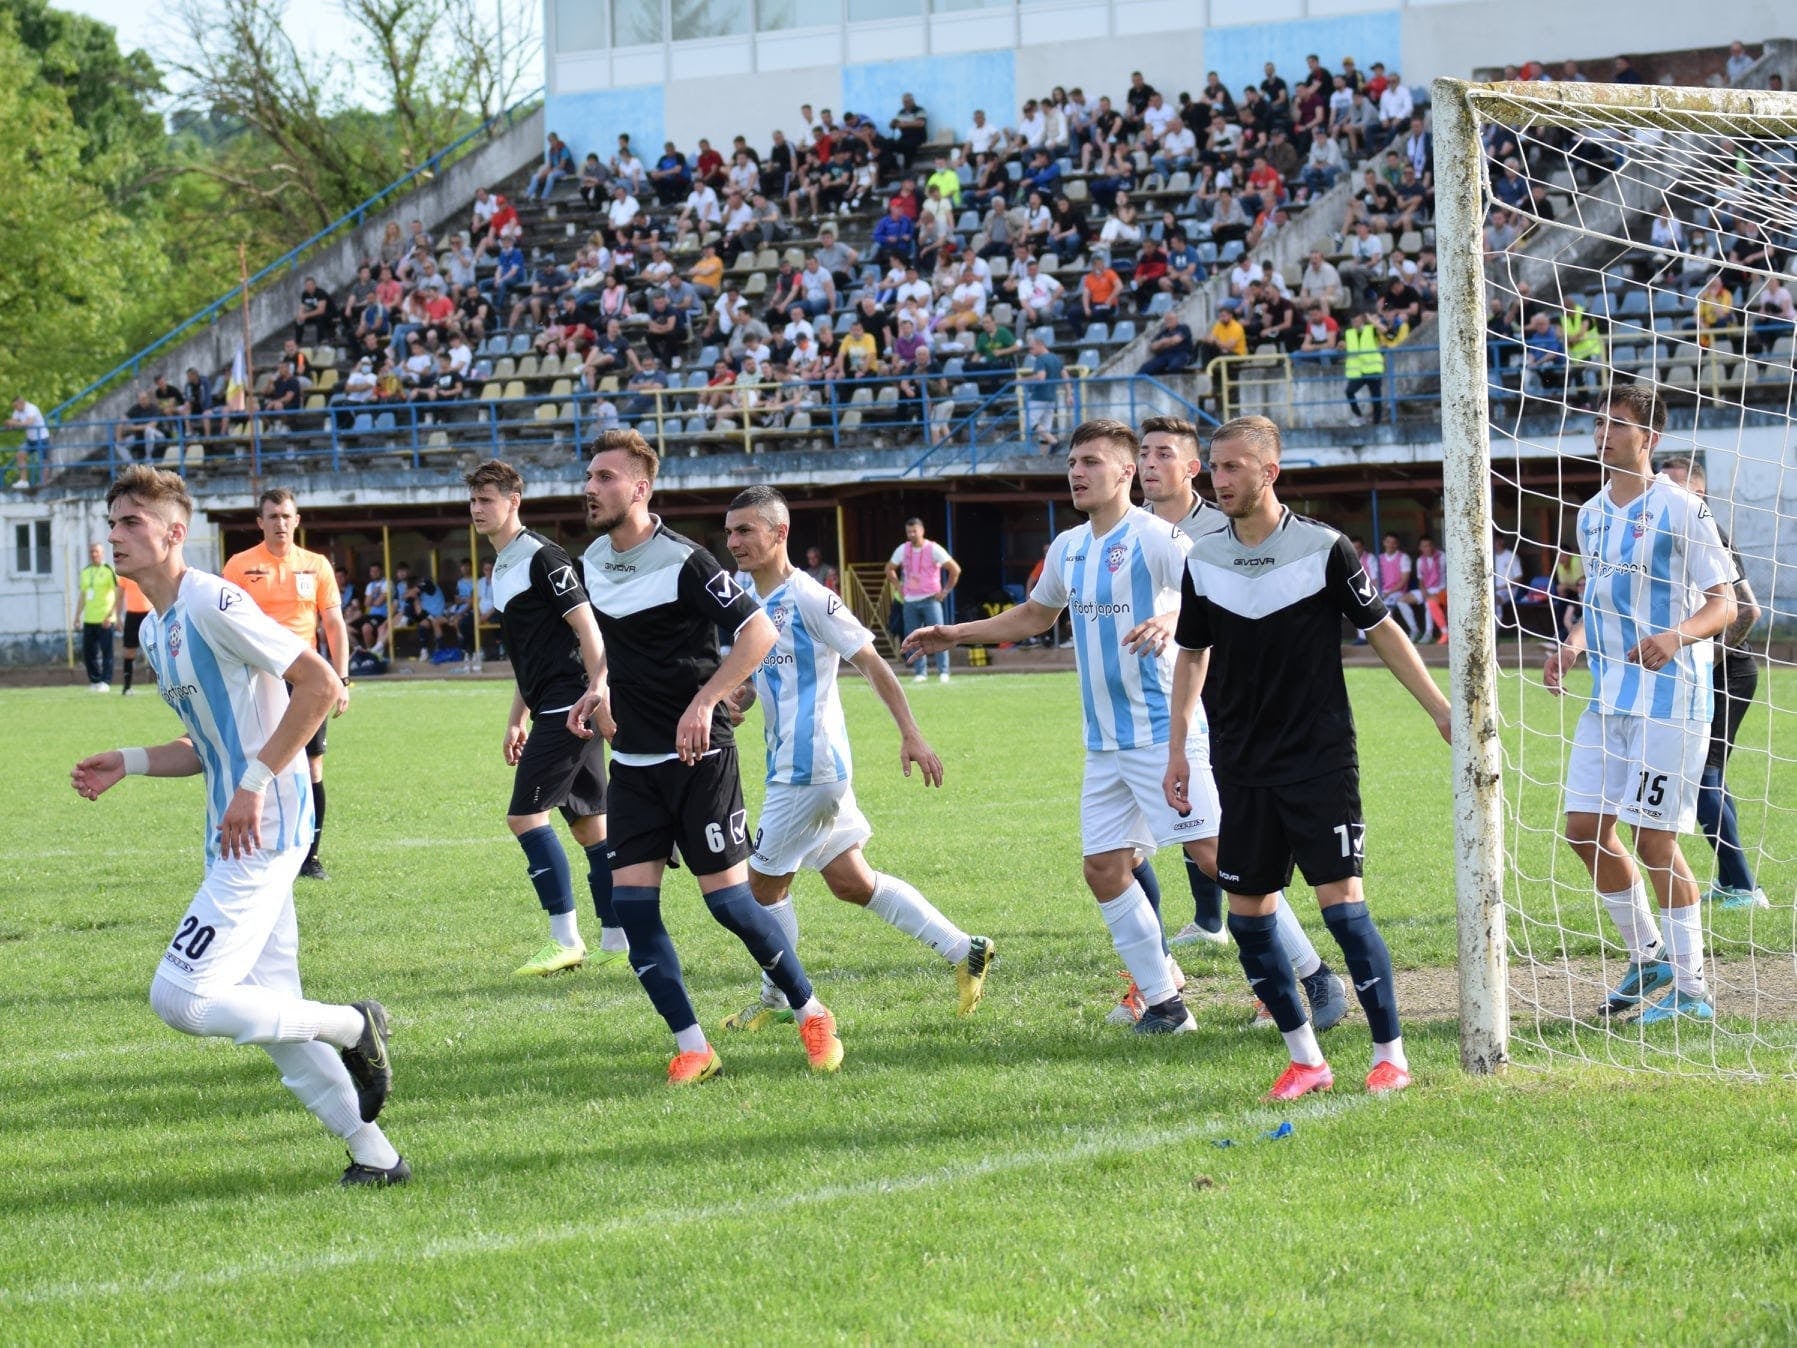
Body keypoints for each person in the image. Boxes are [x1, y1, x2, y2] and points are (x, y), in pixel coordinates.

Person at [70, 465, 405, 1187]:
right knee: (273, 1013)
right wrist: (130, 760)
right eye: (112, 522)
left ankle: (354, 1025)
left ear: (173, 533)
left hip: (268, 827)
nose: (116, 535)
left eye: (131, 522)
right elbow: (209, 743)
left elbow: (320, 684)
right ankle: (375, 1156)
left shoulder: (213, 601)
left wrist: (254, 784)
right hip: (235, 833)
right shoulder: (155, 629)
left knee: (182, 997)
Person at [1165, 415, 1450, 1099]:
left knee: (1343, 909)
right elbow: (1192, 654)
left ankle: (1389, 1055)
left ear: (1270, 472)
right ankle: (1305, 1060)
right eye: (1214, 466)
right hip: (1239, 763)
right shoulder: (1202, 559)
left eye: (1232, 467)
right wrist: (1179, 748)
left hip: (1319, 758)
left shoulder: (1324, 548)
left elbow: (1382, 630)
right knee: (1247, 918)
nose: (1218, 479)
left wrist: (1440, 709)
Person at [572, 430, 843, 1084]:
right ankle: (694, 1047)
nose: (591, 488)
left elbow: (759, 631)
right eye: (589, 476)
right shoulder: (592, 560)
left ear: (640, 488)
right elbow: (609, 645)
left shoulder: (687, 561)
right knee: (633, 908)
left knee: (729, 904)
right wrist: (598, 685)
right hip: (632, 764)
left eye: (606, 477)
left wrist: (706, 700)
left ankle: (811, 1011)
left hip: (700, 759)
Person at [716, 487, 994, 1030]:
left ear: (780, 533)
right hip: (797, 766)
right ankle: (966, 949)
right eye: (729, 532)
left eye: (745, 530)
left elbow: (871, 662)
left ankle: (778, 999)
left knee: (761, 889)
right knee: (851, 881)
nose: (734, 542)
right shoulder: (747, 600)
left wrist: (911, 734)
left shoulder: (810, 598)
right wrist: (735, 699)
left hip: (808, 769)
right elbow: (760, 678)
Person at [1133, 418, 1347, 1024]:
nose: (1150, 464)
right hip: (1120, 726)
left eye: (1162, 453)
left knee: (1220, 854)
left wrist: (1174, 620)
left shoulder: (1215, 531)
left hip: (1219, 717)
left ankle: (1302, 976)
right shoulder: (1114, 532)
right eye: (1143, 452)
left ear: (1190, 468)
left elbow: (1204, 614)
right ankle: (1159, 988)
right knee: (1111, 863)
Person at [1543, 386, 1738, 1025]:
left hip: (1671, 699)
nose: (1602, 432)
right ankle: (1649, 956)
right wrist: (1573, 645)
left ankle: (1693, 989)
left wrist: (1675, 636)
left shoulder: (1682, 507)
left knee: (1654, 839)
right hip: (1608, 699)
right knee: (1583, 831)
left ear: (1648, 438)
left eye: (1617, 424)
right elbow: (1600, 603)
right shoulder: (1590, 513)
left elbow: (1726, 604)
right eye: (1598, 422)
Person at [467, 460, 627, 976]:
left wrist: (598, 690)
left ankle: (565, 940)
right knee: (590, 827)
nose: (477, 508)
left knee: (525, 816)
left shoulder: (542, 555)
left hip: (571, 702)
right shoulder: (501, 566)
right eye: (473, 500)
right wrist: (516, 717)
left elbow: (588, 628)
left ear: (513, 501)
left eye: (487, 499)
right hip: (551, 703)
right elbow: (528, 655)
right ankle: (617, 939)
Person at [223, 490, 352, 881]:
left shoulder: (316, 565)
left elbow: (333, 624)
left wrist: (341, 678)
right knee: (255, 762)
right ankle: (252, 848)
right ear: (260, 522)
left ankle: (310, 856)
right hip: (257, 677)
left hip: (305, 680)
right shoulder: (239, 566)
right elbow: (225, 625)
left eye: (286, 516)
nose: (280, 523)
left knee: (312, 766)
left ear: (296, 521)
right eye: (272, 516)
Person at [1659, 456, 1766, 910]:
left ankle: (1745, 887)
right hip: (1708, 673)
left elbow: (1748, 611)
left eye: (1675, 486)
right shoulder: (1675, 532)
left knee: (1702, 776)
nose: (1665, 493)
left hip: (1730, 673)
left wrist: (1706, 659)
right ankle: (1729, 881)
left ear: (1699, 493)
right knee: (1710, 777)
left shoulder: (1710, 533)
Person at [885, 517, 960, 683]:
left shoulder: (933, 548)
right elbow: (889, 569)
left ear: (922, 530)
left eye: (915, 531)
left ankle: (943, 671)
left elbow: (955, 569)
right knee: (913, 637)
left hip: (930, 599)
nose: (912, 534)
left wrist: (945, 591)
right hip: (909, 600)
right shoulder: (903, 549)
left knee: (939, 634)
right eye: (909, 532)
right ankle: (920, 672)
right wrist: (899, 587)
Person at [74, 541, 119, 691]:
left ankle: (105, 681)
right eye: (92, 552)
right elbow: (83, 595)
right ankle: (94, 681)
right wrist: (77, 616)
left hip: (105, 619)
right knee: (89, 652)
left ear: (102, 553)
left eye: (97, 552)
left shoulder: (109, 570)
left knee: (107, 652)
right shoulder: (86, 571)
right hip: (89, 618)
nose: (94, 554)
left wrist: (110, 615)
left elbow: (117, 594)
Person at [1375, 533, 1419, 638]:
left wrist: (1388, 593)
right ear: (1384, 543)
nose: (1390, 545)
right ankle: (1389, 635)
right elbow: (1376, 578)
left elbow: (1404, 580)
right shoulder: (1379, 558)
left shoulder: (1403, 557)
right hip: (1383, 591)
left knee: (1387, 605)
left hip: (1398, 591)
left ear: (1397, 544)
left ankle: (1412, 631)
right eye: (1388, 542)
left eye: (1393, 543)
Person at [116, 572, 153, 693]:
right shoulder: (125, 573)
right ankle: (127, 687)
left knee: (156, 649)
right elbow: (120, 596)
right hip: (132, 615)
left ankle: (163, 685)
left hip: (149, 613)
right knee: (129, 651)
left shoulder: (148, 569)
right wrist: (118, 616)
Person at [1415, 535, 1447, 643]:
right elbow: (1420, 581)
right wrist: (1425, 594)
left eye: (1429, 545)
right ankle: (1416, 631)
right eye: (1424, 546)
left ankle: (1428, 633)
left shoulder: (1442, 556)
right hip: (1427, 590)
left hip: (1442, 589)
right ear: (1420, 548)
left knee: (1429, 604)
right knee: (1402, 600)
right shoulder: (1420, 560)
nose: (1428, 548)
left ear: (1433, 546)